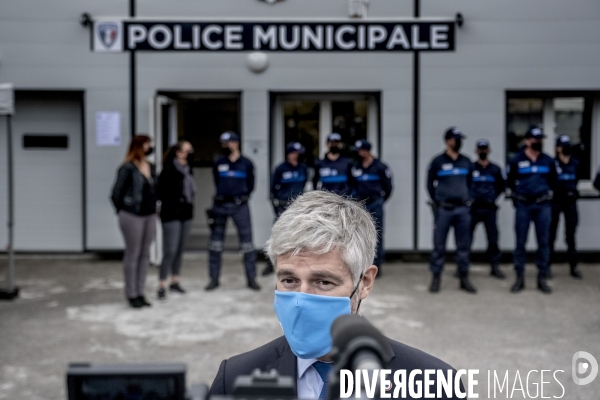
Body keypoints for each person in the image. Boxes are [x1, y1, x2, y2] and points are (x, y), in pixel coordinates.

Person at [208, 191, 462, 399]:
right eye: (289, 280)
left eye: (323, 282)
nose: (301, 299)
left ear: (364, 282)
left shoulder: (435, 385)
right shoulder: (233, 379)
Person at [206, 132, 260, 291]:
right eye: (223, 143)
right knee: (215, 244)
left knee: (247, 244)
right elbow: (216, 181)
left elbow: (251, 185)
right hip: (220, 205)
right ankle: (214, 278)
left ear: (236, 143)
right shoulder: (218, 162)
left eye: (228, 143)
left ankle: (251, 279)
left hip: (240, 206)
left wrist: (242, 195)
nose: (225, 146)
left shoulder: (247, 163)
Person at [506, 127, 557, 294]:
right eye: (535, 139)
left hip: (543, 206)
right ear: (527, 141)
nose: (538, 142)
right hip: (524, 205)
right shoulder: (516, 160)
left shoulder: (548, 160)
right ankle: (519, 278)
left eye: (540, 139)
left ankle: (541, 278)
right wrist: (517, 197)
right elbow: (510, 182)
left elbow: (554, 182)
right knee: (520, 243)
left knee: (543, 243)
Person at [426, 128, 476, 294]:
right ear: (448, 140)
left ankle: (464, 278)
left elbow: (471, 184)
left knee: (463, 245)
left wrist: (468, 199)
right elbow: (429, 184)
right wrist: (437, 201)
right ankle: (436, 278)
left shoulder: (467, 161)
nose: (459, 142)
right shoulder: (438, 161)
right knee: (439, 246)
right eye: (456, 139)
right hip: (444, 209)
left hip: (463, 209)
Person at [110, 135, 157, 308]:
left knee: (145, 254)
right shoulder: (127, 168)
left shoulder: (151, 167)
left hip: (149, 215)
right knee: (133, 253)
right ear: (139, 146)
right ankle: (131, 294)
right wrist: (123, 210)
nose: (150, 147)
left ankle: (140, 292)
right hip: (132, 216)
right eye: (147, 144)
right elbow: (116, 193)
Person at [156, 140, 196, 300]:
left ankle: (175, 281)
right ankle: (161, 284)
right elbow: (161, 193)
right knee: (170, 250)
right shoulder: (168, 170)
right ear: (178, 153)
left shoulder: (188, 170)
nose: (190, 154)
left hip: (186, 213)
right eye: (187, 151)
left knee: (180, 249)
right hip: (171, 214)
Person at [262, 142, 308, 276]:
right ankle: (271, 264)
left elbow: (303, 185)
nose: (298, 155)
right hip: (282, 206)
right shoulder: (280, 168)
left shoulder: (303, 168)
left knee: (300, 235)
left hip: (298, 207)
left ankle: (297, 263)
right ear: (290, 153)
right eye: (296, 153)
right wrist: (276, 206)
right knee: (277, 235)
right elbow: (272, 189)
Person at [350, 140, 392, 277]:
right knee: (360, 234)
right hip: (360, 205)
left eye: (359, 150)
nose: (357, 153)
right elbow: (352, 185)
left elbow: (388, 187)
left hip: (375, 203)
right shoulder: (356, 167)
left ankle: (377, 264)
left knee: (377, 233)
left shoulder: (380, 167)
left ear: (366, 151)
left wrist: (380, 201)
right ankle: (362, 265)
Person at [470, 139, 506, 279]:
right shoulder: (471, 168)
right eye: (480, 149)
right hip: (473, 209)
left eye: (485, 149)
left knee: (493, 239)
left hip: (490, 209)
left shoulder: (496, 169)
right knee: (466, 238)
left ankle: (495, 266)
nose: (483, 152)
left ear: (489, 151)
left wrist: (493, 197)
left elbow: (502, 186)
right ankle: (463, 265)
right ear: (476, 151)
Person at [549, 135, 582, 279]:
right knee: (551, 235)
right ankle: (547, 266)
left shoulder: (575, 163)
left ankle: (573, 266)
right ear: (557, 148)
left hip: (570, 202)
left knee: (570, 235)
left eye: (568, 145)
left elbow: (578, 179)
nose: (566, 147)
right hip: (555, 202)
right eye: (563, 145)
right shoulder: (553, 164)